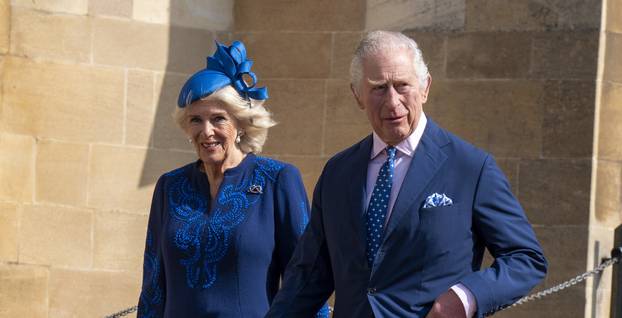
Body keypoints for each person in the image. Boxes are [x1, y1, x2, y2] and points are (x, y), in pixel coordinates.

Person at [266, 31, 547, 318]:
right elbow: (309, 274)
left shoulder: (471, 168)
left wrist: (464, 297)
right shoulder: (338, 173)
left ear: (425, 87)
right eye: (378, 88)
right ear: (357, 95)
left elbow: (525, 259)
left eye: (402, 85)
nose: (392, 101)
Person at [137, 41, 329, 318]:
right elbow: (153, 284)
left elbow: (307, 278)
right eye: (195, 120)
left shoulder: (277, 180)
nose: (207, 131)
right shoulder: (170, 186)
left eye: (218, 119)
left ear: (240, 122)